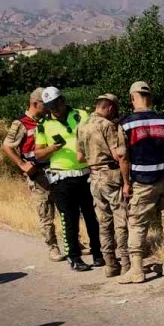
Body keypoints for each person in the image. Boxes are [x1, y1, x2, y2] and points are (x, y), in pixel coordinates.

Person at [118, 81, 164, 284]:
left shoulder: (126, 124)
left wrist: (126, 183)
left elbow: (123, 158)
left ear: (132, 98)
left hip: (142, 183)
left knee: (137, 224)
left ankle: (137, 270)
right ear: (151, 98)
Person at [34, 86, 103, 272]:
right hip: (62, 177)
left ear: (62, 100)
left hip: (86, 173)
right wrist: (52, 149)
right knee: (69, 219)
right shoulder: (43, 125)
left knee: (92, 217)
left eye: (56, 104)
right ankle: (74, 258)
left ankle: (98, 253)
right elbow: (38, 153)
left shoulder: (81, 115)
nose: (54, 109)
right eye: (50, 106)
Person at [2, 88, 64, 263]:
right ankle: (52, 247)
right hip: (38, 174)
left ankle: (72, 243)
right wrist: (22, 164)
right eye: (45, 104)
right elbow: (7, 146)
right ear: (35, 104)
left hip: (56, 170)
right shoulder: (21, 124)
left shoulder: (47, 120)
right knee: (46, 213)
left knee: (65, 208)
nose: (49, 107)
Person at [76, 93, 129, 277]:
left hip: (93, 176)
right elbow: (118, 155)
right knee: (121, 219)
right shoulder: (107, 126)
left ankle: (110, 264)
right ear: (111, 108)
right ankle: (126, 262)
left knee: (104, 222)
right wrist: (127, 181)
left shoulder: (81, 126)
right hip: (110, 175)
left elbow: (79, 157)